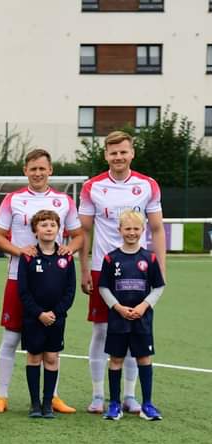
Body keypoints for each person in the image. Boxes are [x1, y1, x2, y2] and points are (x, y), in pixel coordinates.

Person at [0, 149, 83, 414]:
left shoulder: (64, 200)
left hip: (53, 278)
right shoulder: (13, 199)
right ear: (25, 171)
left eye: (43, 168)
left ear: (50, 170)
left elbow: (77, 235)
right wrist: (21, 252)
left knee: (52, 341)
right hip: (18, 277)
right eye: (33, 169)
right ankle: (2, 396)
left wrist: (69, 248)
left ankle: (52, 396)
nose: (38, 173)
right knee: (10, 338)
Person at [78, 131, 166, 414]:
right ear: (105, 155)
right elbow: (84, 232)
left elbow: (156, 229)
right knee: (102, 331)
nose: (118, 157)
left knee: (134, 332)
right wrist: (83, 269)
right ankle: (98, 395)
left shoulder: (147, 185)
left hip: (139, 272)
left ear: (132, 153)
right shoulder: (92, 186)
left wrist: (160, 267)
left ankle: (129, 396)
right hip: (102, 271)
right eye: (113, 153)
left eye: (123, 152)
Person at [97, 210, 165, 421]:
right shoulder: (111, 259)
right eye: (127, 228)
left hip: (142, 319)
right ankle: (115, 404)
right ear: (120, 230)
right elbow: (103, 288)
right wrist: (117, 307)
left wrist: (144, 306)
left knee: (144, 358)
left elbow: (158, 287)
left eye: (136, 229)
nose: (132, 233)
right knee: (115, 359)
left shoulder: (150, 258)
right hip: (118, 319)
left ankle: (147, 404)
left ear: (143, 230)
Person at [16, 210, 76, 419]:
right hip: (33, 318)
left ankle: (48, 403)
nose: (48, 228)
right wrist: (39, 313)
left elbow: (70, 291)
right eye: (43, 225)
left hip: (56, 319)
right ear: (35, 230)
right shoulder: (28, 257)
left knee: (51, 357)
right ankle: (34, 404)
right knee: (33, 357)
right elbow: (23, 291)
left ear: (58, 229)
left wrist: (56, 313)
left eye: (52, 225)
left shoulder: (66, 257)